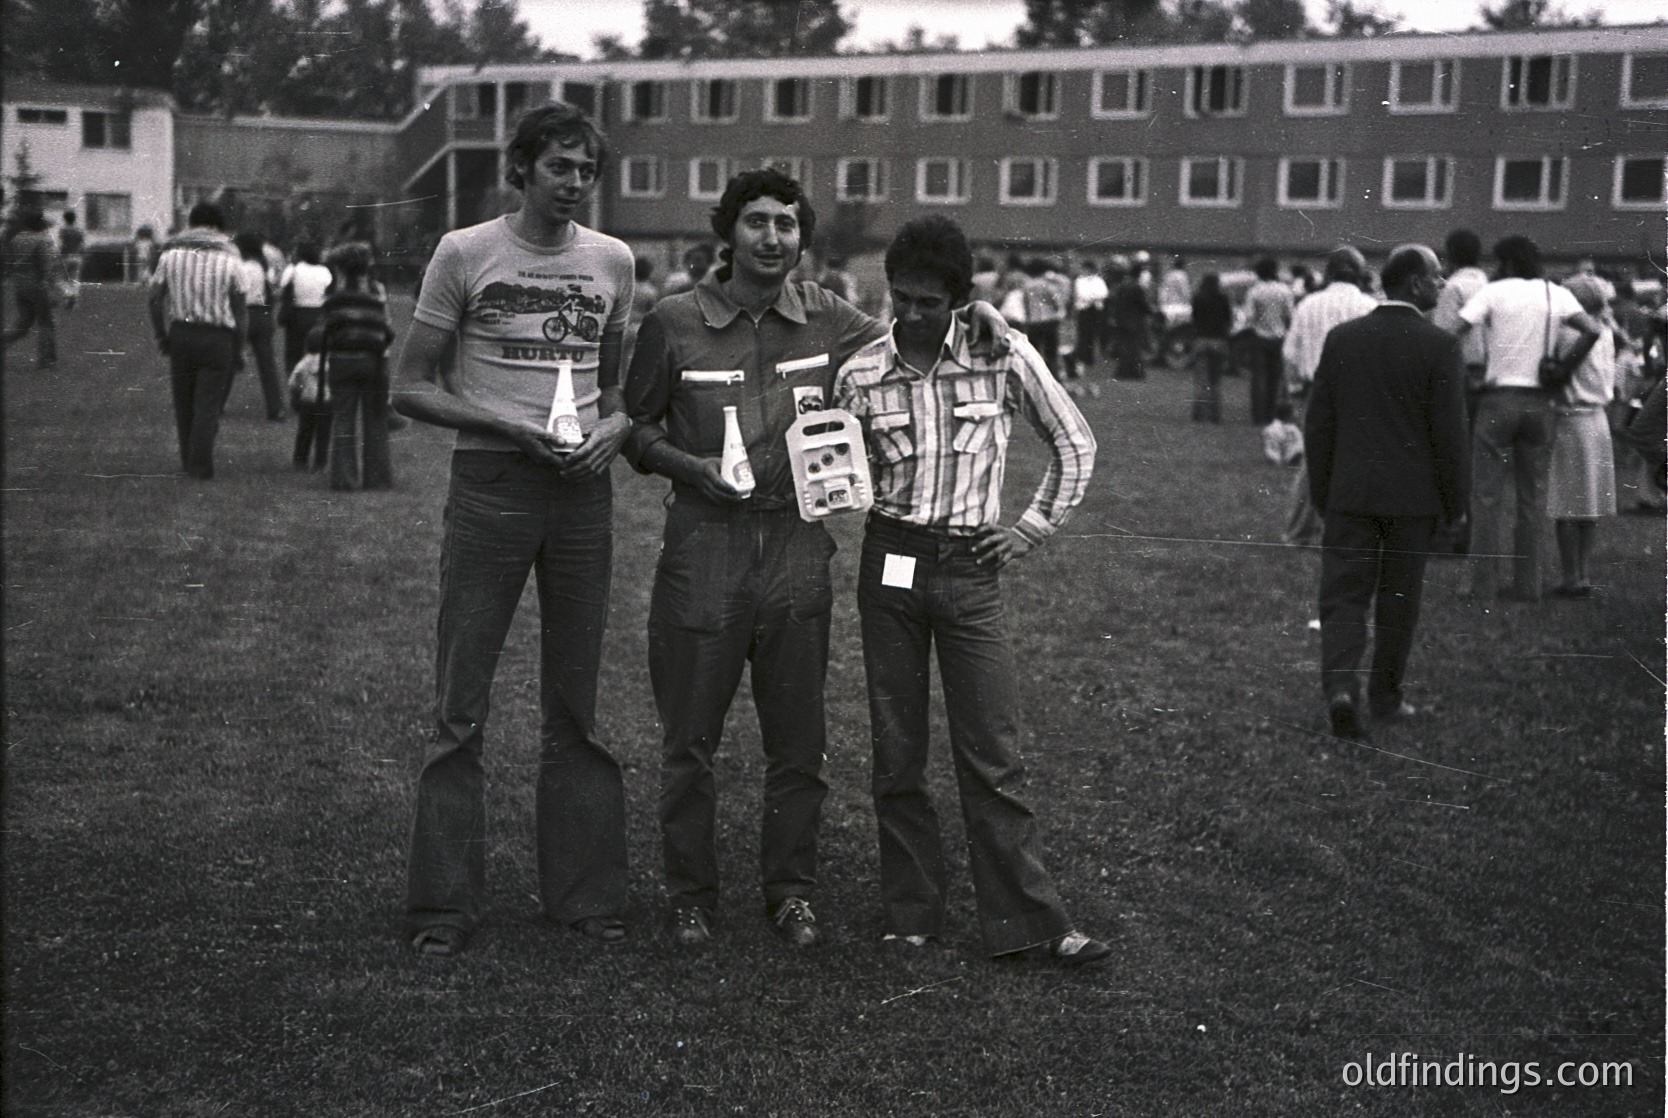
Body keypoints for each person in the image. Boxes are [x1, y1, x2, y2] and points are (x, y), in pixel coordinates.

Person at [623, 169, 1009, 951]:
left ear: (804, 239)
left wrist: (977, 310)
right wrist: (689, 467)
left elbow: (913, 334)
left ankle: (791, 891)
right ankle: (691, 894)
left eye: (788, 225)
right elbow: (632, 429)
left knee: (798, 740)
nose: (773, 238)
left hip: (799, 544)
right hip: (705, 544)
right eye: (758, 222)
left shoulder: (832, 318)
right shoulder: (672, 321)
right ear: (727, 233)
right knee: (689, 737)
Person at [831, 215, 1108, 966]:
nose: (911, 315)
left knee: (992, 749)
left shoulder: (999, 354)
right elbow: (831, 471)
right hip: (890, 560)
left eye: (927, 302)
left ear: (959, 299)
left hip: (971, 568)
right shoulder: (859, 375)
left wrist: (1027, 528)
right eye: (900, 300)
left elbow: (1075, 441)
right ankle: (910, 912)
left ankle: (1029, 921)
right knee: (898, 750)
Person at [393, 102, 635, 957]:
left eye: (586, 171)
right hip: (492, 482)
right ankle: (442, 909)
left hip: (580, 494)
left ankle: (582, 896)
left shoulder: (613, 260)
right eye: (560, 167)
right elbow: (411, 386)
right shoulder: (464, 252)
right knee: (461, 705)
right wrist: (505, 427)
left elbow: (616, 389)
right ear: (522, 168)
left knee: (576, 702)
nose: (573, 184)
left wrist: (615, 428)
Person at [1304, 244, 1470, 742]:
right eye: (1436, 277)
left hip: (1350, 493)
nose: (1442, 286)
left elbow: (1319, 424)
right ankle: (1385, 694)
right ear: (1415, 284)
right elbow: (1450, 435)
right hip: (1412, 500)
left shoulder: (1343, 339)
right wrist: (1455, 504)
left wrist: (1322, 491)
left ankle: (1340, 687)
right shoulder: (1440, 346)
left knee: (1343, 597)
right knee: (1400, 598)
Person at [1455, 235, 1602, 602]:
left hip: (1499, 397)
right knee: (1532, 498)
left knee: (1486, 496)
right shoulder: (1556, 293)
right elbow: (1593, 330)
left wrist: (1469, 372)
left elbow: (1455, 329)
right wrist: (1565, 369)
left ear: (1506, 263)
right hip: (1541, 402)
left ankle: (1481, 583)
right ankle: (1528, 585)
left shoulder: (1494, 292)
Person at [1280, 247, 1378, 547]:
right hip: (1360, 394)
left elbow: (1290, 354)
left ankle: (1298, 533)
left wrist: (1295, 388)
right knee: (1356, 463)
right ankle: (1342, 533)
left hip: (1317, 390)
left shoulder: (1309, 304)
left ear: (1329, 273)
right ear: (1360, 275)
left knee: (1313, 464)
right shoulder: (1370, 305)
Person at [148, 203, 247, 480]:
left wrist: (161, 334)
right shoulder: (231, 260)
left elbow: (155, 299)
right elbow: (240, 310)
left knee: (184, 401)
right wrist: (239, 349)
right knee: (208, 404)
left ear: (191, 224)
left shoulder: (171, 255)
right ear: (217, 227)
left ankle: (187, 459)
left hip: (182, 332)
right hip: (218, 337)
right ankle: (200, 465)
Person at [1547, 275, 1618, 597]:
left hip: (1572, 418)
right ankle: (1583, 573)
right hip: (1598, 418)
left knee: (1568, 504)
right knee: (1588, 506)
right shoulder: (1605, 333)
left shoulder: (1567, 333)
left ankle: (1570, 575)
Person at [321, 241, 395, 491]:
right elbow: (387, 329)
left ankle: (344, 478)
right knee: (375, 418)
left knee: (343, 418)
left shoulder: (333, 296)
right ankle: (378, 478)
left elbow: (327, 329)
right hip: (373, 360)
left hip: (341, 360)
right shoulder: (377, 291)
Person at [1430, 230, 1490, 416]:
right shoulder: (1488, 285)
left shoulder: (1453, 287)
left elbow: (1442, 335)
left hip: (1460, 371)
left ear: (1450, 253)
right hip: (1488, 371)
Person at [232, 232, 286, 420]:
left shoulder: (240, 268)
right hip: (262, 314)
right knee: (267, 364)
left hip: (245, 313)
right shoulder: (263, 268)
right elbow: (271, 294)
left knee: (230, 358)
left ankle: (217, 402)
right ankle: (276, 407)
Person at [2, 208, 60, 370]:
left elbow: (9, 261)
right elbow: (45, 267)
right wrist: (51, 289)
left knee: (23, 323)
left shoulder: (16, 239)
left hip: (19, 284)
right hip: (36, 284)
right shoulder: (41, 240)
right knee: (46, 323)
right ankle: (46, 360)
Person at [1243, 257, 1294, 425]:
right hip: (1279, 338)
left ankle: (1259, 416)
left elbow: (1249, 317)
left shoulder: (1255, 291)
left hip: (1259, 336)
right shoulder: (1285, 290)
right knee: (1275, 378)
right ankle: (1272, 414)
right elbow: (1289, 315)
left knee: (1259, 378)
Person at [278, 242, 333, 374]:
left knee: (293, 351)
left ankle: (294, 378)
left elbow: (283, 287)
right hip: (318, 312)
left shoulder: (293, 269)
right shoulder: (324, 270)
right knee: (317, 349)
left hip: (297, 313)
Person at [1190, 272, 1233, 422]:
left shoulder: (1198, 298)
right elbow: (1228, 320)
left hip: (1201, 340)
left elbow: (1194, 319)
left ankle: (1198, 414)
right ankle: (1215, 414)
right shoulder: (1223, 299)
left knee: (1201, 380)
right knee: (1215, 381)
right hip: (1218, 341)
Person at [1107, 257, 1152, 381]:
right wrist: (1151, 311)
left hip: (1122, 320)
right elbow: (1143, 305)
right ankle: (1135, 373)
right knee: (1134, 348)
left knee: (1125, 347)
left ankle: (1122, 372)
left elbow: (1116, 303)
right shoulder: (1137, 287)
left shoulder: (1123, 286)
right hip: (1134, 321)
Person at [1071, 258, 1107, 376]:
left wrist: (1093, 297)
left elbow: (1103, 293)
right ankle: (1082, 356)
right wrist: (1093, 296)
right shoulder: (1080, 281)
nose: (1086, 271)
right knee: (1083, 333)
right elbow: (1081, 294)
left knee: (1093, 333)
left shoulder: (1098, 280)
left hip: (1096, 309)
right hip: (1084, 309)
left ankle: (1090, 357)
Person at [58, 210, 85, 310]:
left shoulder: (63, 230)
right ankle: (74, 299)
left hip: (65, 256)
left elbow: (61, 244)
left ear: (65, 218)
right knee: (74, 278)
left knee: (63, 279)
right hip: (77, 256)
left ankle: (68, 295)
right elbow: (82, 245)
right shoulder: (79, 230)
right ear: (75, 218)